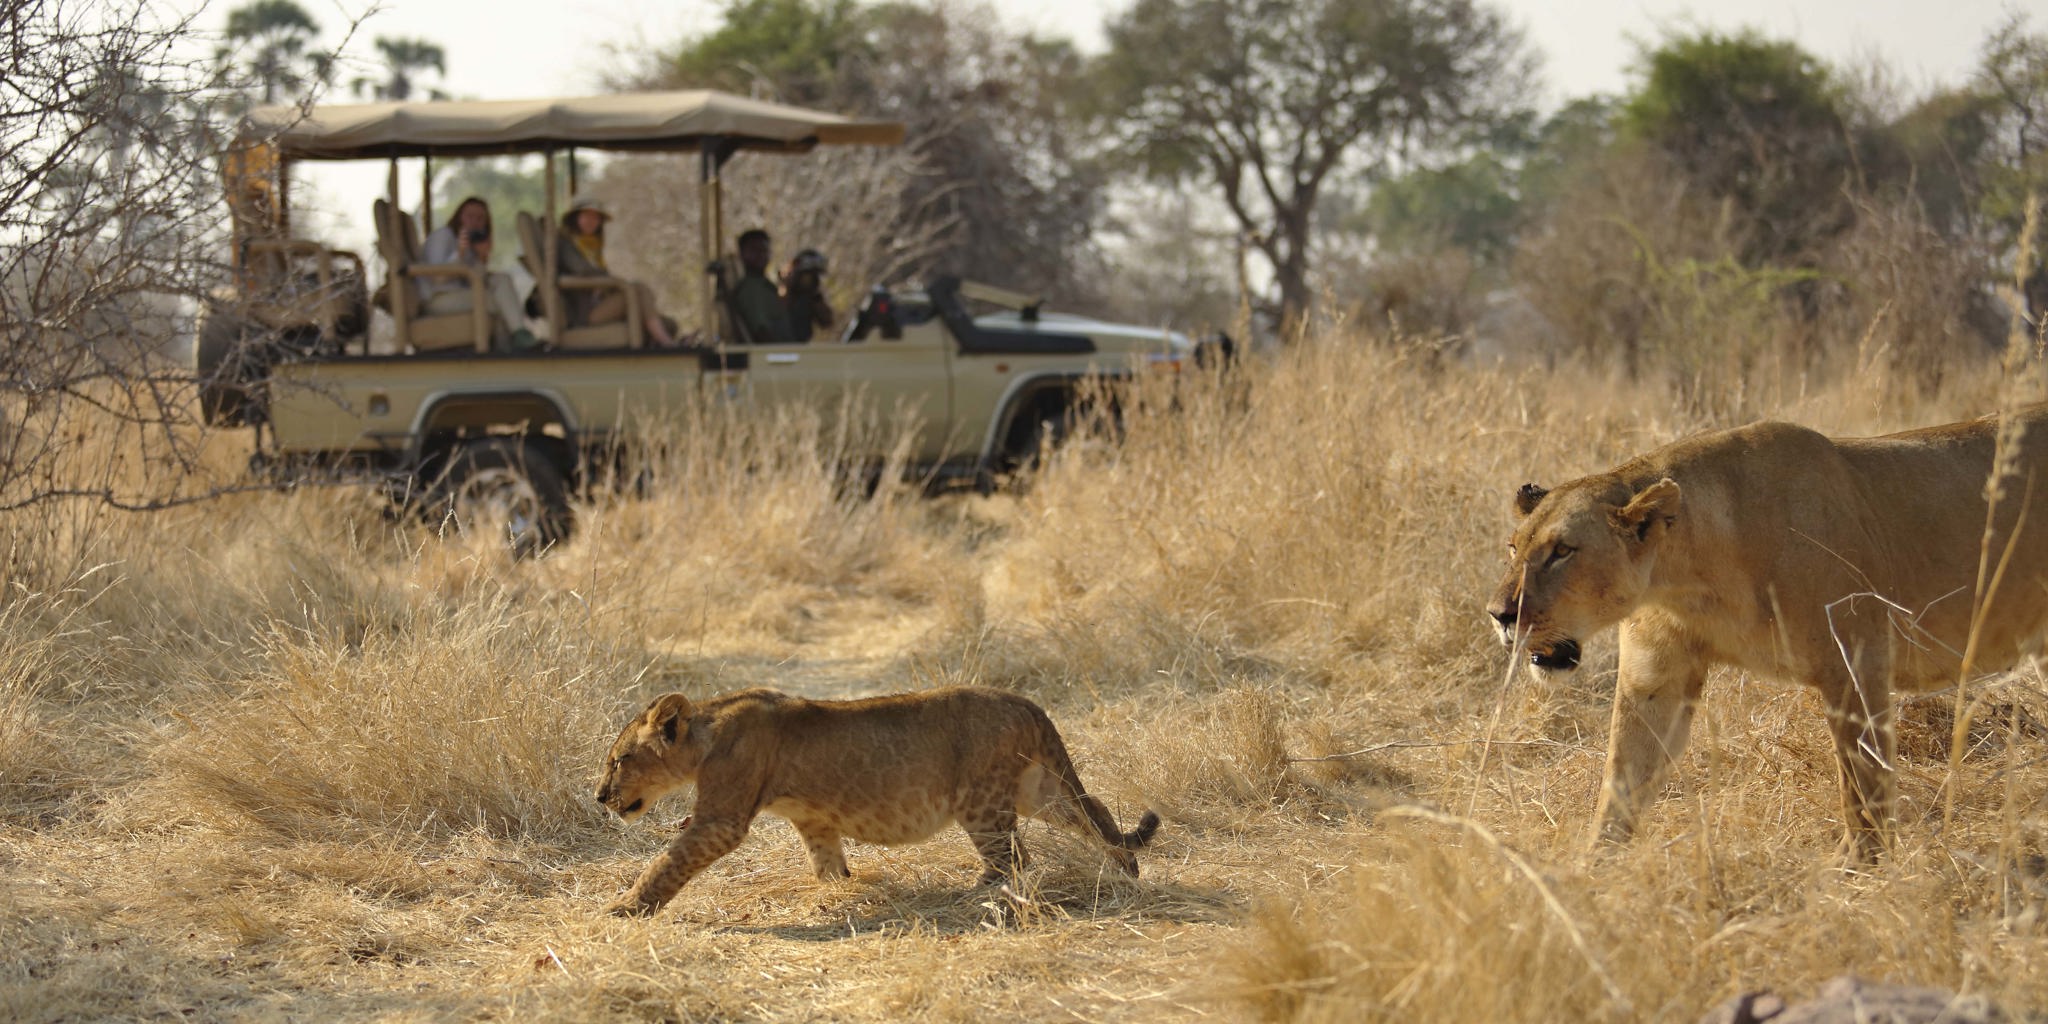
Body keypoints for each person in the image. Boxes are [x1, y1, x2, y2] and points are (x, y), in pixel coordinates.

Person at [555, 195, 677, 347]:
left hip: (600, 302)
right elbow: (582, 270)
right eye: (587, 216)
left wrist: (608, 284)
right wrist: (610, 282)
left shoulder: (593, 246)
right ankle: (664, 341)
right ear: (575, 218)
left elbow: (598, 274)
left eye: (596, 217)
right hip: (585, 312)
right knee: (636, 290)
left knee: (668, 321)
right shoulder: (566, 243)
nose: (592, 221)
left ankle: (661, 338)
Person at [418, 196, 537, 351]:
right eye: (470, 216)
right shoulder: (443, 236)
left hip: (463, 293)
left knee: (502, 279)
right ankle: (508, 348)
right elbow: (437, 277)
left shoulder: (472, 245)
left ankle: (519, 334)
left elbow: (477, 279)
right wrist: (460, 254)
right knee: (498, 302)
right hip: (438, 298)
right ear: (459, 218)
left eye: (480, 218)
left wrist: (481, 256)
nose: (475, 222)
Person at [730, 228, 790, 344]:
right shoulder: (750, 289)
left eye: (764, 250)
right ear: (742, 254)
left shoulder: (766, 286)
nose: (761, 255)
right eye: (754, 250)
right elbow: (761, 331)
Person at [780, 248, 835, 343]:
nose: (811, 279)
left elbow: (827, 321)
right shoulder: (782, 292)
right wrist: (789, 287)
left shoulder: (812, 297)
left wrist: (815, 298)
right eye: (808, 274)